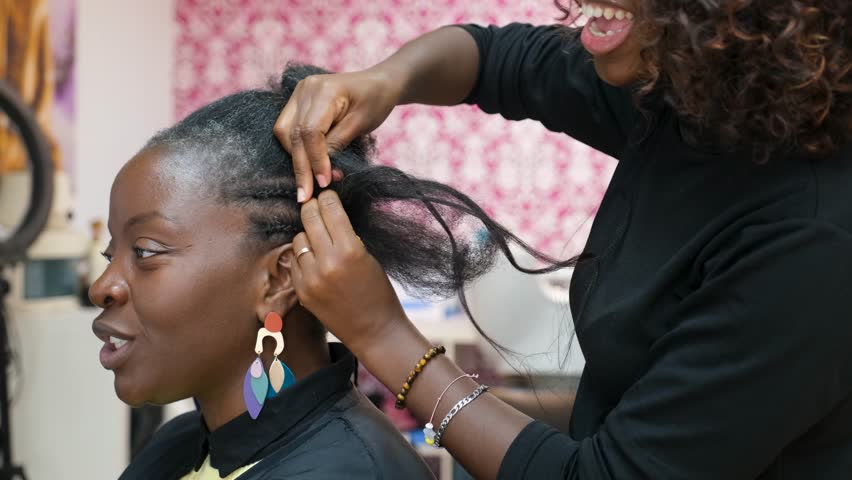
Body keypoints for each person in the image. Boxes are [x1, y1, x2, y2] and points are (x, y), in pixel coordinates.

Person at [274, 1, 852, 479]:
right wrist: (385, 80)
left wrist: (384, 336)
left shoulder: (809, 241)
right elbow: (495, 59)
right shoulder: (693, 94)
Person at [89, 64, 550, 480]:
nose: (102, 287)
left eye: (146, 252)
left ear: (278, 279)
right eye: (112, 255)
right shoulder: (178, 446)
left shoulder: (348, 471)